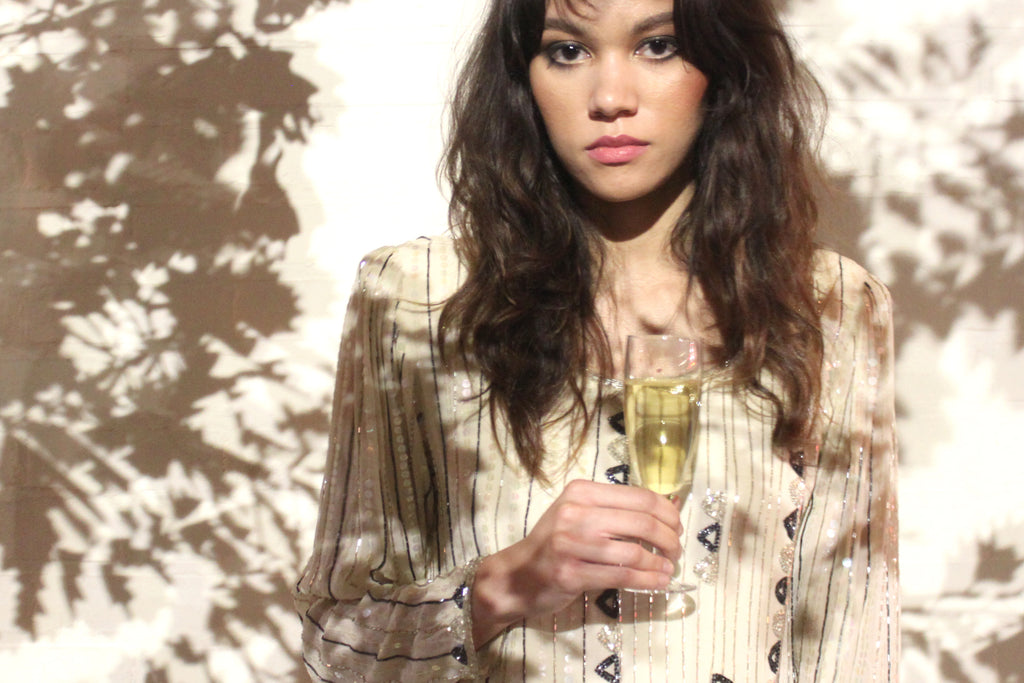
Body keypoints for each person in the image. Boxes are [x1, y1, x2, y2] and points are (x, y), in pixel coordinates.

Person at [294, 0, 899, 679]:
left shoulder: (826, 306)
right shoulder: (416, 296)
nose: (611, 98)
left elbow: (854, 640)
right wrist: (506, 584)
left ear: (725, 66)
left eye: (659, 45)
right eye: (568, 52)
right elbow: (335, 645)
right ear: (523, 77)